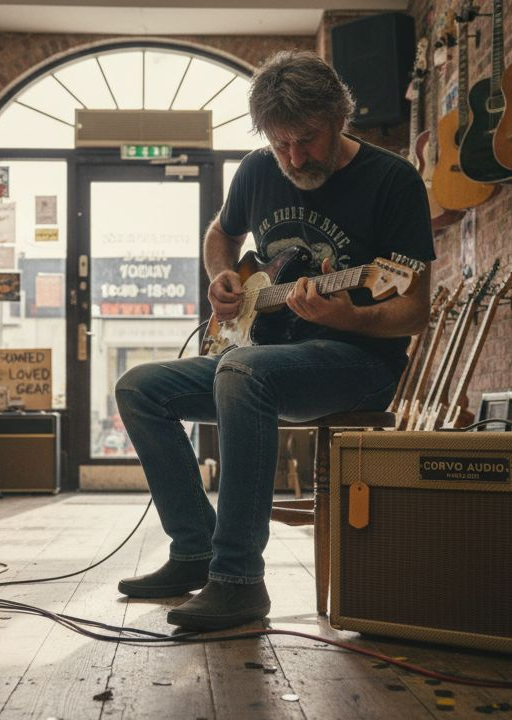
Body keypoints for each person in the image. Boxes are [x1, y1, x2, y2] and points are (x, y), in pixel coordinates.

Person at [113, 50, 435, 631]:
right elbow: (222, 231)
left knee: (242, 371)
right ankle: (192, 551)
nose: (293, 157)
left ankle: (237, 581)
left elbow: (413, 310)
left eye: (307, 140)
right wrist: (221, 275)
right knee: (139, 388)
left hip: (356, 362)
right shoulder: (259, 170)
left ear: (340, 117)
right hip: (262, 356)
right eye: (279, 142)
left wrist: (349, 318)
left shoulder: (393, 181)